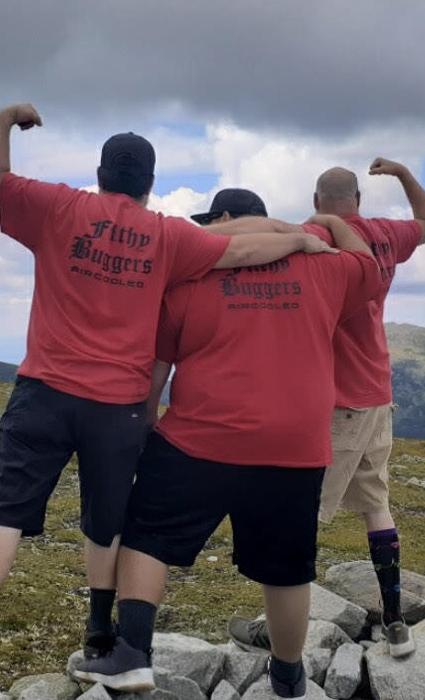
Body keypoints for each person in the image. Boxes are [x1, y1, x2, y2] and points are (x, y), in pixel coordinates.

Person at [0, 106, 336, 686]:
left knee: (4, 512)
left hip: (44, 392)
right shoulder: (168, 236)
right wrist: (300, 240)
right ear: (151, 184)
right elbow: (238, 251)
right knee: (107, 523)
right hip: (117, 408)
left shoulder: (60, 208)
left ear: (101, 173)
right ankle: (100, 633)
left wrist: (5, 118)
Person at [72, 190, 384, 697]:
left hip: (199, 439)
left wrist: (146, 419)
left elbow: (158, 365)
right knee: (287, 569)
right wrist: (330, 221)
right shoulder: (324, 268)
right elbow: (368, 265)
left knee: (147, 537)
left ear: (221, 221)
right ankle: (288, 677)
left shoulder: (191, 276)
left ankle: (131, 652)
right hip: (295, 447)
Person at [228, 159, 425, 659]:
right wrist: (405, 176)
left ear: (317, 202)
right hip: (377, 394)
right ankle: (395, 624)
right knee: (376, 506)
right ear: (359, 203)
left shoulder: (312, 234)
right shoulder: (386, 235)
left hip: (335, 399)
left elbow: (248, 245)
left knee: (297, 519)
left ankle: (278, 637)